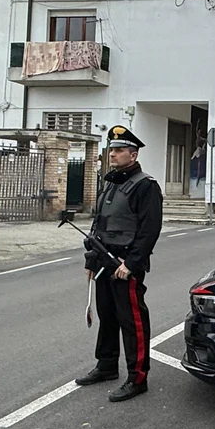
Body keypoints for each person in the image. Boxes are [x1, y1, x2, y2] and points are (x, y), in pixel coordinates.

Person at [75, 125, 164, 402]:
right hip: (104, 261)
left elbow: (150, 230)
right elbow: (98, 224)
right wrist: (91, 259)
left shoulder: (145, 186)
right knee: (107, 316)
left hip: (125, 263)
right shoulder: (110, 182)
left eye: (118, 150)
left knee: (132, 321)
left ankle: (138, 377)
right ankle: (106, 365)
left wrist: (133, 263)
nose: (112, 154)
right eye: (111, 150)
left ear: (133, 155)